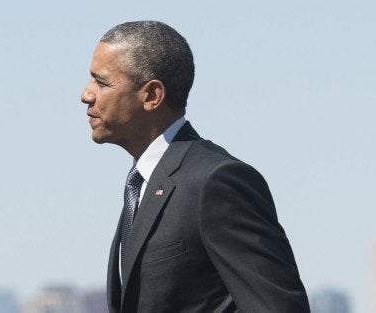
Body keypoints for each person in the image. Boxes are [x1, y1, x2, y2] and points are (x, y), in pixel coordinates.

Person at [80, 20, 310, 313]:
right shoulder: (141, 185)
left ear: (152, 95)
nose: (86, 95)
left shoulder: (216, 182)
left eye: (101, 82)